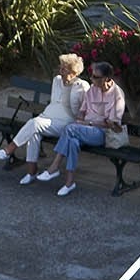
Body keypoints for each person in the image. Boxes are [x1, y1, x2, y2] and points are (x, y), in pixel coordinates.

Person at [0, 53, 87, 183]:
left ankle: (10, 149)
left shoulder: (82, 86)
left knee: (34, 124)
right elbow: (55, 103)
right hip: (47, 119)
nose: (61, 69)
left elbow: (85, 109)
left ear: (73, 71)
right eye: (61, 66)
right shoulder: (57, 80)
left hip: (66, 125)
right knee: (33, 133)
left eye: (64, 68)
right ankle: (32, 171)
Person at [38, 60, 125, 197]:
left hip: (102, 134)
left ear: (107, 79)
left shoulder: (117, 95)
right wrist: (80, 119)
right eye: (91, 75)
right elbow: (82, 112)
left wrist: (87, 123)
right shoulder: (92, 90)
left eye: (95, 77)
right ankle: (69, 182)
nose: (91, 79)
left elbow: (111, 124)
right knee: (72, 141)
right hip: (84, 129)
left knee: (70, 129)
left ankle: (54, 167)